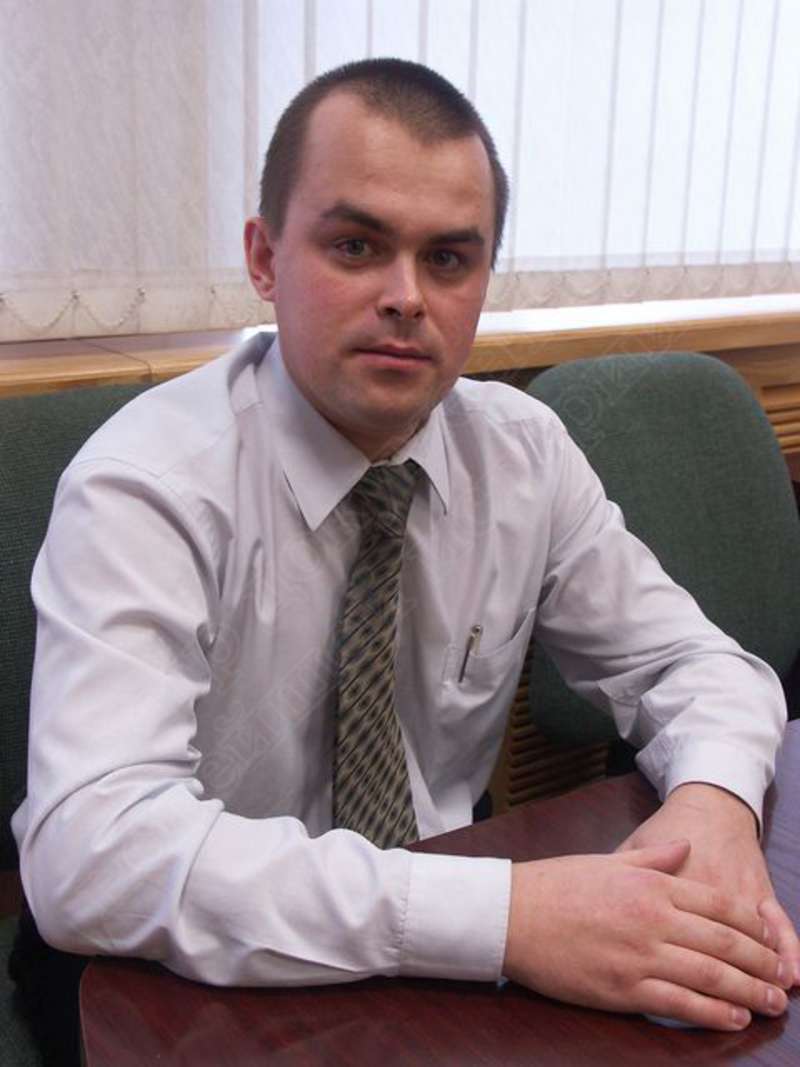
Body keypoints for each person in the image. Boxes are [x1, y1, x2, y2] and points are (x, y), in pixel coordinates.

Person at [11, 58, 799, 1059]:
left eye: (449, 259)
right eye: (356, 245)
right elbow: (95, 854)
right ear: (263, 258)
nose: (405, 297)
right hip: (167, 972)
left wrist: (715, 803)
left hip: (439, 956)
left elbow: (696, 665)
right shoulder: (148, 481)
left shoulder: (521, 454)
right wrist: (505, 916)